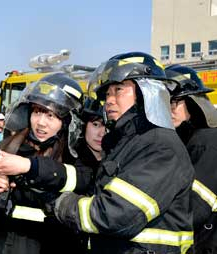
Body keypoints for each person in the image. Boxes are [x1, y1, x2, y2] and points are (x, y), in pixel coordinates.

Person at [49, 52, 195, 253]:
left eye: (118, 90)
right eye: (107, 94)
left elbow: (114, 215)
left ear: (147, 93)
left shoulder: (160, 146)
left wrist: (61, 204)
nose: (109, 100)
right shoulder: (127, 143)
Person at [0, 73, 94, 254]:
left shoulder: (78, 158)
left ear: (68, 122)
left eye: (51, 115)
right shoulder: (1, 150)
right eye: (37, 111)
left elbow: (82, 183)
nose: (41, 122)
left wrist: (28, 167)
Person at [166, 65, 217, 253]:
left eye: (175, 102)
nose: (169, 109)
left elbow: (195, 208)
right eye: (165, 103)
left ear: (193, 102)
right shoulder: (189, 138)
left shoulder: (207, 141)